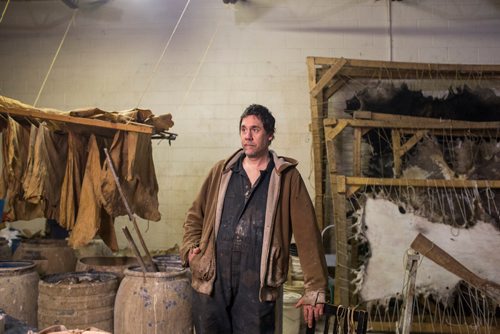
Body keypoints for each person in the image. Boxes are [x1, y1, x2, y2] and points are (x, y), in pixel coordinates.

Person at [180, 104, 328, 334]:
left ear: (270, 135)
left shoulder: (286, 178)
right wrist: (190, 248)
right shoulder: (222, 171)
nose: (247, 136)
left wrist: (315, 289)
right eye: (243, 129)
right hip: (213, 279)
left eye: (255, 129)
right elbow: (194, 215)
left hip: (256, 284)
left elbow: (307, 234)